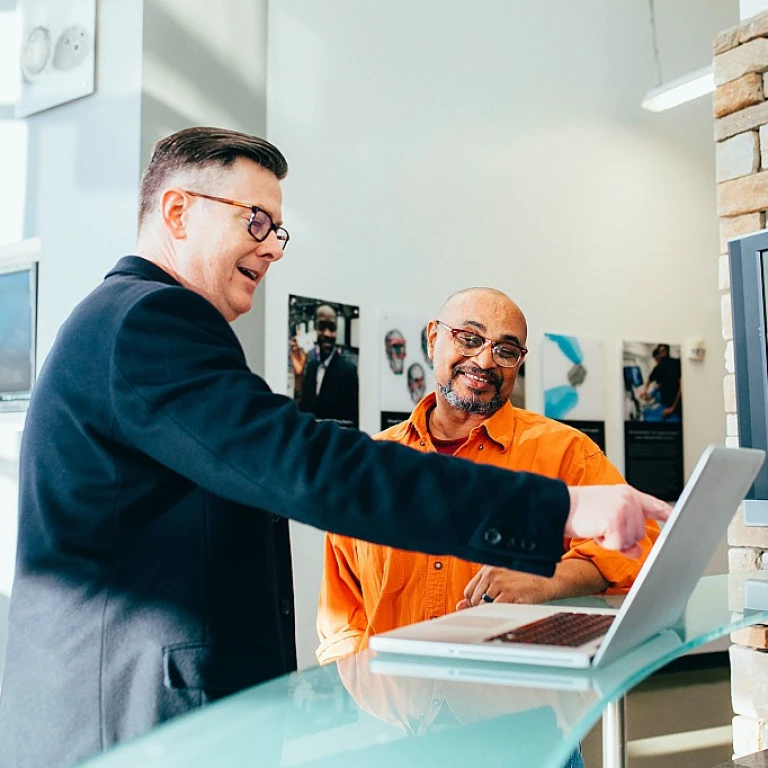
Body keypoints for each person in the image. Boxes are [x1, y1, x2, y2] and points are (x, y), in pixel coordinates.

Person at [0, 127, 669, 768]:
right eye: (255, 220)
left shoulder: (129, 323)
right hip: (132, 723)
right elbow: (309, 466)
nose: (273, 247)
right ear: (177, 211)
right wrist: (557, 510)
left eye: (277, 229)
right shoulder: (149, 320)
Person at [317, 288, 660, 664]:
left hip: (516, 704)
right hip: (394, 709)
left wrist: (547, 579)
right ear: (433, 339)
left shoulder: (566, 452)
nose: (484, 360)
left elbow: (640, 544)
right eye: (469, 338)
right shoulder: (373, 465)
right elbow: (341, 613)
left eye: (506, 350)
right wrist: (363, 696)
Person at [290, 303, 359, 427]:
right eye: (322, 327)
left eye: (332, 328)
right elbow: (302, 412)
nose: (327, 334)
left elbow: (351, 423)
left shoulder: (348, 371)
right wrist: (298, 377)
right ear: (315, 329)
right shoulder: (311, 367)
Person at [641, 343, 682, 421]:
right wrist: (645, 390)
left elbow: (681, 387)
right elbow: (650, 379)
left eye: (663, 352)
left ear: (667, 351)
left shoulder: (676, 364)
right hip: (664, 405)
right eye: (660, 352)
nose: (661, 355)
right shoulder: (658, 368)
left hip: (675, 407)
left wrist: (672, 408)